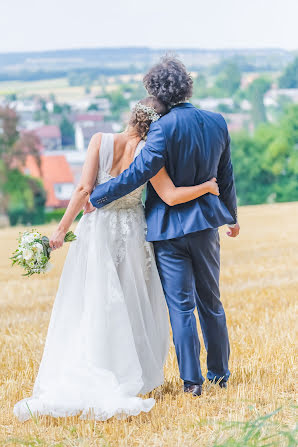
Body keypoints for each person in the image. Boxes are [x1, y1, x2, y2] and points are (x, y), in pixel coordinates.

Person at [14, 95, 220, 422]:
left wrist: (60, 230)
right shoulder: (150, 153)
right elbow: (168, 194)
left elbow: (83, 190)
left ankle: (100, 364)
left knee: (95, 300)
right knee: (133, 303)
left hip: (97, 232)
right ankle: (130, 371)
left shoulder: (99, 140)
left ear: (130, 117)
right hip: (135, 233)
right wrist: (207, 186)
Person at [90, 57, 240, 398]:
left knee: (181, 307)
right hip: (205, 227)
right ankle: (220, 374)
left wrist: (99, 196)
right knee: (211, 303)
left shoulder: (162, 127)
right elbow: (226, 176)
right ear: (186, 86)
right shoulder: (217, 121)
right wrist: (232, 216)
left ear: (156, 91)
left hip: (167, 231)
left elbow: (137, 174)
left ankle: (192, 383)